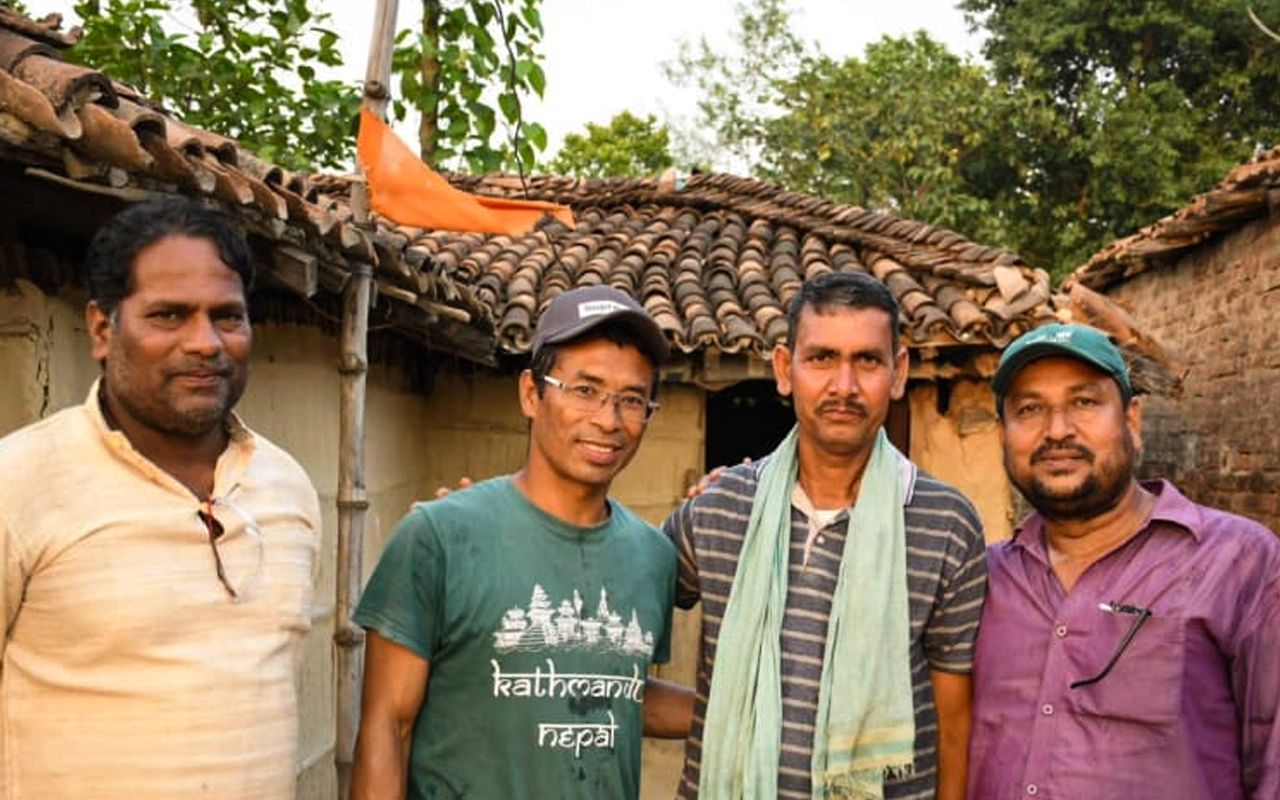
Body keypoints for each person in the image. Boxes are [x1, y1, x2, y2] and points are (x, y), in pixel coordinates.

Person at [0, 197, 321, 799]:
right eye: (169, 316)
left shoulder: (287, 488)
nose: (205, 343)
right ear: (103, 328)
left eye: (227, 317)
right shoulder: (19, 483)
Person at [350, 286, 689, 800]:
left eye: (632, 400)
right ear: (531, 394)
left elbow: (615, 687)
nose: (608, 419)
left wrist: (758, 709)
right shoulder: (440, 537)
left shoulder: (653, 557)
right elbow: (386, 727)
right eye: (585, 390)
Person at [666, 271, 987, 800]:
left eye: (867, 360)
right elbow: (613, 597)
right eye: (821, 358)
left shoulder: (946, 521)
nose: (844, 386)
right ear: (783, 369)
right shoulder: (720, 508)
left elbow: (954, 724)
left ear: (898, 371)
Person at [968, 323, 1280, 800]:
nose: (1057, 431)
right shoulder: (982, 580)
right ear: (1002, 435)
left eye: (1084, 403)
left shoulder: (1238, 562)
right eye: (1030, 409)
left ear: (1132, 420)